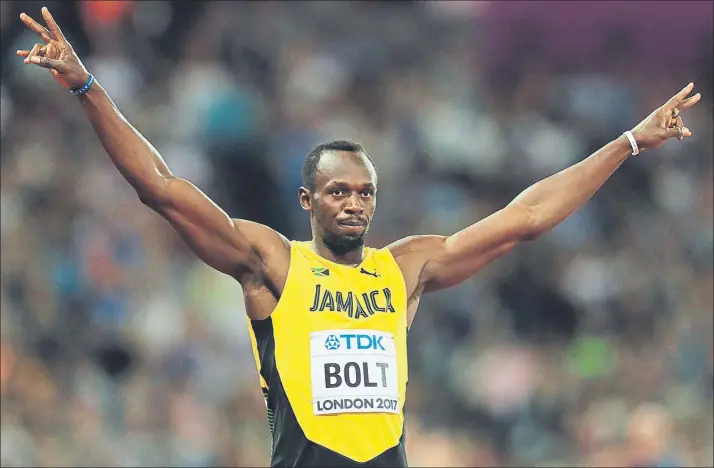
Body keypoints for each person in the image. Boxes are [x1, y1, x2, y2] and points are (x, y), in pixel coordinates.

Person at [17, 7, 701, 468]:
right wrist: (87, 88)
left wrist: (628, 142)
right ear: (308, 199)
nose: (354, 203)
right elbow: (161, 188)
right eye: (339, 191)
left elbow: (525, 218)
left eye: (366, 192)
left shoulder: (405, 268)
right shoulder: (273, 264)